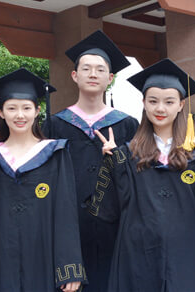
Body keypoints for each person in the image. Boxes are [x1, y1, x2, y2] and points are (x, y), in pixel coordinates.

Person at [87, 58, 195, 291]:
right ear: (144, 103)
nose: (160, 108)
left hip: (187, 250)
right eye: (153, 101)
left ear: (181, 105)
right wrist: (111, 163)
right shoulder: (128, 153)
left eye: (169, 102)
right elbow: (110, 209)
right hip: (138, 251)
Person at [0, 69, 85, 292]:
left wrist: (70, 267)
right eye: (11, 108)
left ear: (37, 111)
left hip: (43, 256)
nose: (19, 115)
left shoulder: (55, 153)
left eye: (26, 108)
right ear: (0, 112)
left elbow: (66, 214)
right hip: (0, 256)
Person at [42, 30, 139, 291]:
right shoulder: (54, 125)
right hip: (68, 227)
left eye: (100, 69)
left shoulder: (128, 125)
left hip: (115, 227)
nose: (93, 74)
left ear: (110, 77)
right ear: (75, 76)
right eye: (86, 69)